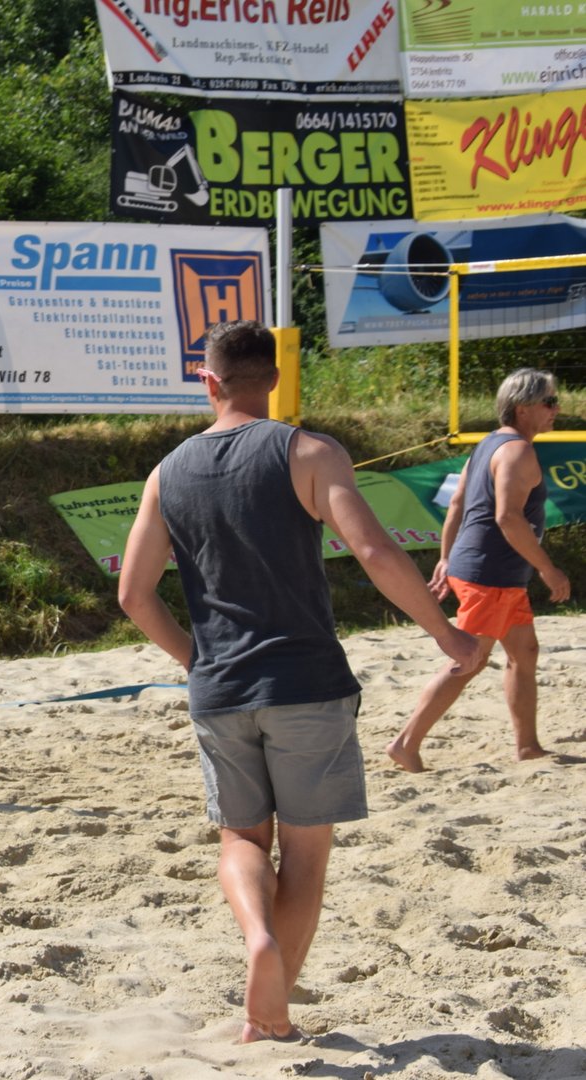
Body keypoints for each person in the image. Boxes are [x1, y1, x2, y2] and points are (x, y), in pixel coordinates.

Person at [117, 321, 479, 1044]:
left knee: (240, 840)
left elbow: (133, 595)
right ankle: (270, 1011)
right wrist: (447, 635)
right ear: (276, 378)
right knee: (306, 858)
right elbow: (373, 550)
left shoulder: (166, 474)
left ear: (208, 381)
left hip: (221, 689)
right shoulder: (309, 452)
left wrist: (194, 659)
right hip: (307, 682)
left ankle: (255, 935)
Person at [387, 369, 571, 772]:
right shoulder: (516, 451)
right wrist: (548, 569)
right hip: (491, 574)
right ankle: (405, 743)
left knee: (524, 653)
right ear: (523, 409)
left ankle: (527, 747)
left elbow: (456, 504)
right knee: (468, 659)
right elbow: (508, 518)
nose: (557, 409)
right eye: (550, 401)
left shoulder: (489, 443)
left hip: (494, 572)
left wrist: (446, 557)